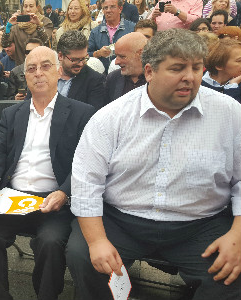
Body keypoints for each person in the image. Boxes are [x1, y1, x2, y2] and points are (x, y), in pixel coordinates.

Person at [67, 28, 241, 300]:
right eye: (177, 68)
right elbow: (86, 183)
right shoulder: (111, 117)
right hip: (122, 221)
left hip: (199, 224)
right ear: (149, 72)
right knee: (83, 256)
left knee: (231, 275)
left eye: (197, 68)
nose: (189, 77)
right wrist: (98, 240)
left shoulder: (230, 114)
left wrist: (238, 236)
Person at [0, 46, 95, 300]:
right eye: (31, 68)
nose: (38, 73)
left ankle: (46, 295)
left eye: (45, 66)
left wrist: (64, 191)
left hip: (53, 201)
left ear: (59, 71)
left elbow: (87, 164)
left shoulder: (81, 113)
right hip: (13, 198)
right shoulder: (13, 113)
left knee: (50, 242)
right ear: (25, 76)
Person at [58, 30, 106, 110]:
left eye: (83, 58)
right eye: (74, 60)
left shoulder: (95, 81)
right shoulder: (45, 74)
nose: (80, 64)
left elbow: (93, 116)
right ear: (60, 56)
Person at [89, 0, 135, 73]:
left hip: (126, 76)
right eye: (105, 8)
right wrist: (98, 53)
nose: (108, 10)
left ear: (120, 9)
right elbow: (86, 55)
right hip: (101, 77)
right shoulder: (95, 32)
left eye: (112, 7)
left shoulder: (132, 29)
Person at [2, 0, 53, 65]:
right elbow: (5, 44)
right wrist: (8, 27)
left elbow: (46, 42)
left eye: (31, 6)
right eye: (25, 6)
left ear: (37, 7)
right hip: (21, 68)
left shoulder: (45, 21)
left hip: (41, 66)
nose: (28, 9)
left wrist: (39, 25)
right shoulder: (17, 23)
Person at [105, 32, 148, 104]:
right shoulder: (113, 78)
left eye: (122, 56)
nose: (116, 62)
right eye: (116, 56)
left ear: (140, 53)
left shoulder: (158, 79)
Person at [202, 38, 241, 103]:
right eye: (239, 61)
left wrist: (232, 86)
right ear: (219, 65)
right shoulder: (198, 86)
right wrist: (232, 87)